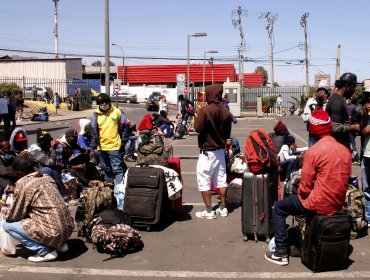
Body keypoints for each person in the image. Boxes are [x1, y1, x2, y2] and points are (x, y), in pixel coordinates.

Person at [265, 109, 352, 266]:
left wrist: (301, 190)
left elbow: (304, 189)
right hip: (337, 203)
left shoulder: (314, 152)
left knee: (278, 208)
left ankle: (281, 252)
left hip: (318, 204)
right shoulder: (345, 151)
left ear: (314, 129)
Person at [1, 156, 74, 262]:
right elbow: (34, 190)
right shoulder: (46, 177)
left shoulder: (22, 184)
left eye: (15, 172)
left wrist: (3, 207)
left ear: (19, 172)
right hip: (67, 228)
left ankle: (45, 252)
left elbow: (14, 215)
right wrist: (16, 191)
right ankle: (59, 245)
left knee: (7, 225)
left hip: (54, 232)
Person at [194, 84, 233, 219]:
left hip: (207, 152)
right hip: (220, 151)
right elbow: (228, 134)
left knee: (204, 180)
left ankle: (209, 211)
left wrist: (198, 113)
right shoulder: (226, 112)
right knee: (221, 180)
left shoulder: (205, 110)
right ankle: (223, 208)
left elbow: (198, 129)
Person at [90, 93, 124, 184]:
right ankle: (110, 188)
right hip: (101, 148)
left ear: (109, 102)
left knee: (117, 170)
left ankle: (119, 191)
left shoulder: (117, 112)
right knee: (106, 169)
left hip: (114, 146)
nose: (104, 104)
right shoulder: (96, 115)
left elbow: (125, 126)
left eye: (106, 102)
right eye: (101, 102)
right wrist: (92, 147)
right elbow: (94, 133)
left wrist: (123, 142)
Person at [326, 72, 359, 150]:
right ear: (347, 86)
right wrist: (354, 127)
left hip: (340, 147)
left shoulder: (339, 99)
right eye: (353, 87)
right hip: (336, 148)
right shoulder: (337, 101)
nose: (354, 90)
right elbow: (336, 128)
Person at [302, 81, 330, 147]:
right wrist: (316, 117)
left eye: (323, 91)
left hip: (325, 134)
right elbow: (305, 118)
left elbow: (329, 118)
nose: (320, 92)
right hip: (313, 134)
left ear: (327, 93)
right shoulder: (311, 101)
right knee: (312, 153)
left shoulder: (329, 103)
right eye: (319, 90)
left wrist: (324, 102)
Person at [359, 79, 370, 224]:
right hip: (366, 153)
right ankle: (368, 217)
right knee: (367, 187)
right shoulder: (365, 110)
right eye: (367, 95)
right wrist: (365, 114)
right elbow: (362, 130)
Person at [348, 96, 360, 165]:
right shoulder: (357, 106)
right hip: (355, 127)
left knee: (352, 144)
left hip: (350, 127)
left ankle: (357, 158)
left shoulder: (349, 106)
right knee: (351, 143)